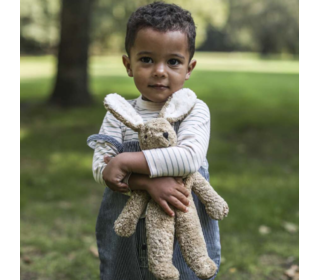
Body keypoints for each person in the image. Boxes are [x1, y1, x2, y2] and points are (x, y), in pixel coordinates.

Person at [87, 2, 221, 279]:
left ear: (189, 68)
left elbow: (188, 158)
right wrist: (146, 182)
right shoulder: (119, 114)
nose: (159, 71)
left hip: (182, 231)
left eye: (173, 61)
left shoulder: (194, 109)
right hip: (127, 232)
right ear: (128, 64)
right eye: (147, 59)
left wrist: (126, 161)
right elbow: (103, 169)